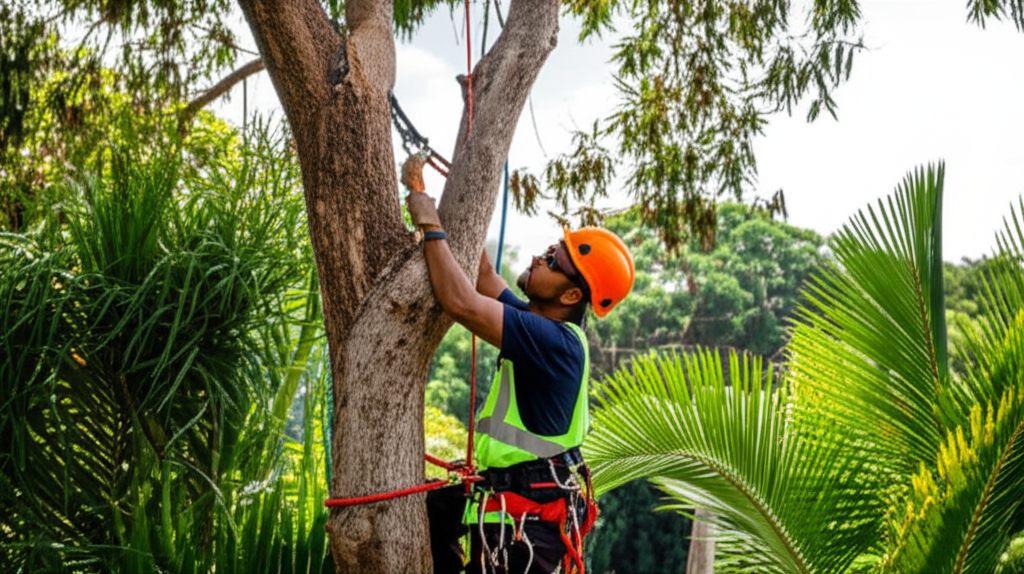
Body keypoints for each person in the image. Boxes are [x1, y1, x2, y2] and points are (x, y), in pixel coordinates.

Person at [405, 187, 634, 574]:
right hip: (508, 509)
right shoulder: (539, 325)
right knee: (428, 513)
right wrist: (450, 202)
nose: (537, 259)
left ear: (572, 294)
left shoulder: (555, 343)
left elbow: (460, 301)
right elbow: (482, 276)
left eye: (551, 261)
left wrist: (428, 223)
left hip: (524, 526)